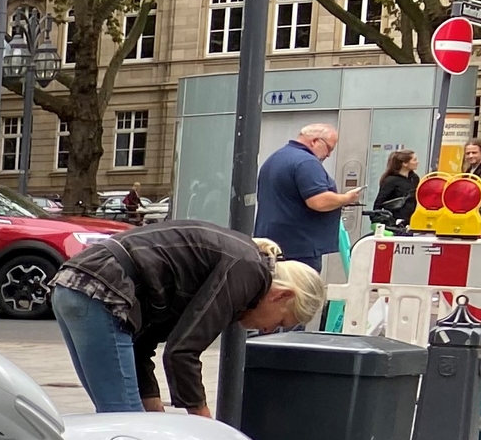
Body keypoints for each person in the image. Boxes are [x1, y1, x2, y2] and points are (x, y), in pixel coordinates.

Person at [49, 224, 323, 418]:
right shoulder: (249, 271)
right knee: (126, 426)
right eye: (281, 321)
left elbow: (142, 342)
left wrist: (154, 407)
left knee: (120, 417)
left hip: (74, 284)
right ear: (281, 295)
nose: (267, 329)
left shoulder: (243, 261)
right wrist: (201, 418)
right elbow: (183, 351)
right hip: (102, 289)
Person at [253, 121, 358, 270]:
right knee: (303, 291)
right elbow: (319, 201)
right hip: (300, 248)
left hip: (272, 243)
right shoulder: (306, 162)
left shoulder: (276, 158)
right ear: (315, 141)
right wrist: (346, 198)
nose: (328, 155)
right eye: (329, 149)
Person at [370, 149, 420, 229]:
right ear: (405, 163)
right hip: (394, 222)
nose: (417, 162)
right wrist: (376, 221)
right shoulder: (390, 181)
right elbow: (379, 202)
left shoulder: (414, 178)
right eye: (414, 160)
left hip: (410, 222)